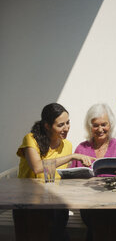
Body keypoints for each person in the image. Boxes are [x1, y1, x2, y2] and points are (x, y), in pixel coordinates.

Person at [13, 103, 93, 241]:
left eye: (68, 123)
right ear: (47, 126)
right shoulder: (30, 139)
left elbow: (58, 177)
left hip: (54, 203)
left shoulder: (66, 145)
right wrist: (72, 156)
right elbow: (38, 168)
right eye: (60, 125)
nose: (66, 128)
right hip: (29, 202)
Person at [70, 103, 116, 241]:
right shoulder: (81, 149)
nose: (100, 129)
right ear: (90, 127)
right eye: (95, 125)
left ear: (110, 125)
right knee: (100, 216)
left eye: (104, 124)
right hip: (90, 203)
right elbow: (70, 180)